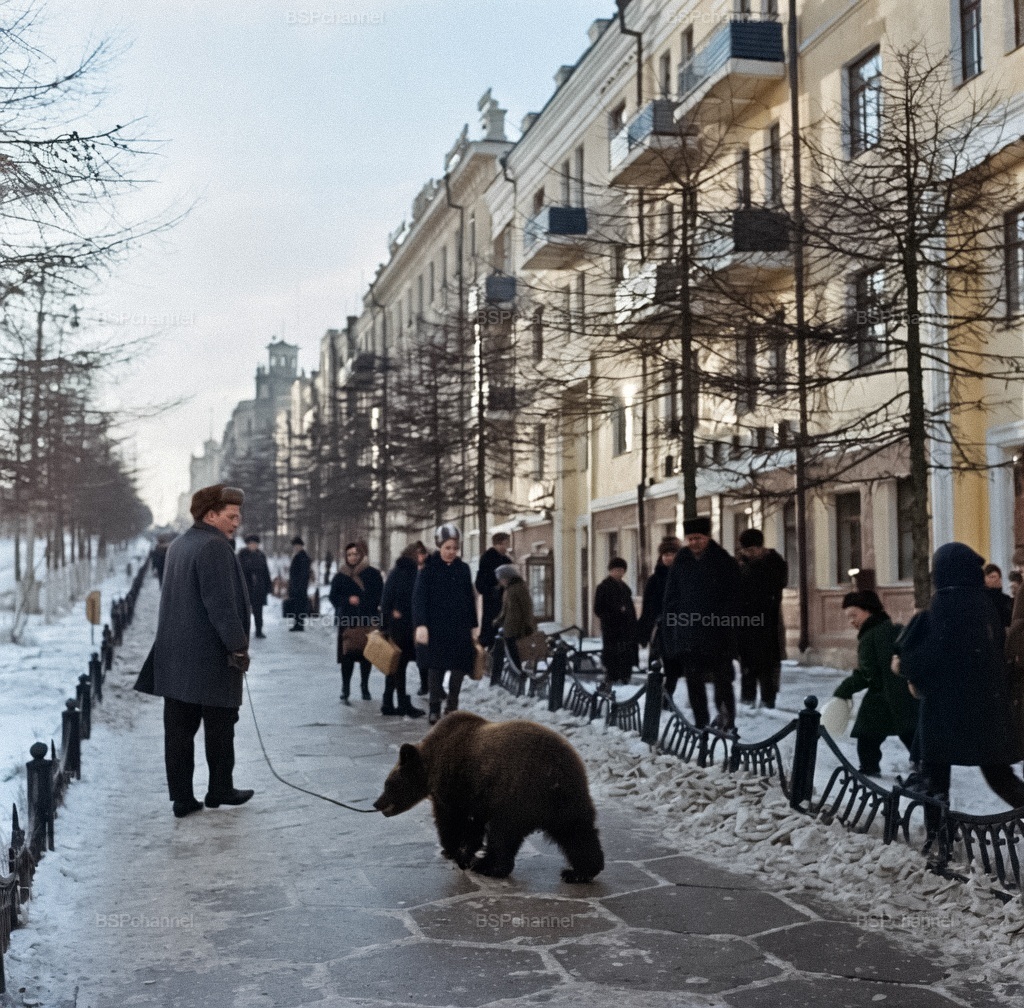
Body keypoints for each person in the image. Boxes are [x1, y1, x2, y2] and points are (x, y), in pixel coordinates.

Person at [138, 484, 254, 818]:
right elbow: (220, 604)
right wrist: (237, 647)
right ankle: (220, 788)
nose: (237, 523)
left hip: (173, 657)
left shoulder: (179, 545)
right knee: (220, 726)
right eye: (231, 517)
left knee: (178, 731)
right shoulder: (214, 547)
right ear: (211, 515)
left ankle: (182, 798)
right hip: (209, 656)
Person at [902, 542, 1024, 811]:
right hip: (986, 707)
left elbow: (932, 654)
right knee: (999, 775)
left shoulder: (945, 604)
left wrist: (906, 664)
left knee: (935, 778)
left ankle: (937, 838)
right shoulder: (985, 604)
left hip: (946, 708)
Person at [660, 516, 741, 730]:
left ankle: (727, 722)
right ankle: (701, 724)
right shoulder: (681, 562)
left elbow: (735, 598)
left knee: (723, 683)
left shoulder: (723, 560)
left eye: (698, 538)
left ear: (707, 537)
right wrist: (672, 629)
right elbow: (671, 598)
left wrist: (724, 623)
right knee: (694, 683)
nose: (694, 543)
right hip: (689, 636)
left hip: (718, 636)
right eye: (690, 539)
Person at [832, 590, 917, 776]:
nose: (851, 621)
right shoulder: (891, 627)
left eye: (854, 615)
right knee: (910, 732)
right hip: (903, 692)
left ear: (868, 611)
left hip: (883, 695)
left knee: (867, 734)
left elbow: (866, 674)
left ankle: (869, 770)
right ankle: (925, 768)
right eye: (848, 617)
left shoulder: (870, 636)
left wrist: (844, 689)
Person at [413, 524, 478, 725]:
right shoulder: (428, 570)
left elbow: (469, 598)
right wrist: (421, 625)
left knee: (459, 667)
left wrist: (473, 626)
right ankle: (434, 708)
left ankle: (452, 705)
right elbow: (419, 599)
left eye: (454, 548)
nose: (451, 552)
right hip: (436, 627)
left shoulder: (463, 569)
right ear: (439, 546)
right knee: (436, 668)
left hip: (459, 627)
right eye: (447, 547)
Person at [735, 528, 789, 709]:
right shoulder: (739, 565)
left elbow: (773, 588)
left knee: (768, 666)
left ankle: (768, 701)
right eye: (745, 550)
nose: (748, 553)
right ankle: (747, 701)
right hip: (744, 623)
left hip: (768, 622)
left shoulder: (774, 563)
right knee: (747, 667)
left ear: (760, 547)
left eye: (752, 550)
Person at [329, 542, 384, 705]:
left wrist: (363, 602)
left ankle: (365, 687)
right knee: (347, 655)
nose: (352, 557)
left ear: (361, 555)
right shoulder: (340, 575)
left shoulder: (372, 574)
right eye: (349, 554)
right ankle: (345, 689)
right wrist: (347, 600)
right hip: (348, 621)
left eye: (355, 554)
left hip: (367, 619)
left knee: (366, 654)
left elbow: (379, 595)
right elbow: (333, 597)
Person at [380, 543, 427, 718]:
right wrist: (387, 621)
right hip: (402, 627)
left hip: (406, 625)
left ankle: (389, 701)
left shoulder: (406, 571)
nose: (422, 556)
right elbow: (386, 600)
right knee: (400, 663)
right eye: (420, 553)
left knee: (398, 663)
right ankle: (401, 702)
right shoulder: (406, 572)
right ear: (413, 554)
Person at [594, 558, 639, 689]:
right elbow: (598, 609)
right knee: (613, 653)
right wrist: (616, 612)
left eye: (621, 570)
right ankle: (612, 676)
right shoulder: (603, 587)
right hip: (612, 628)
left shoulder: (625, 588)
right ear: (610, 571)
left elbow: (629, 607)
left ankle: (625, 676)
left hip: (626, 628)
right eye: (615, 570)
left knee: (626, 653)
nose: (619, 572)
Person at [493, 563, 538, 667]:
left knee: (516, 652)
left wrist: (528, 625)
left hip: (518, 627)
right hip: (510, 627)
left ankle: (518, 673)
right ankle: (516, 671)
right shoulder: (508, 589)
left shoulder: (519, 588)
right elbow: (505, 609)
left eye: (501, 578)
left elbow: (527, 607)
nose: (500, 581)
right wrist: (498, 620)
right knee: (511, 651)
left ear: (508, 577)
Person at [476, 532, 511, 649]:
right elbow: (481, 581)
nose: (508, 547)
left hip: (503, 600)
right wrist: (493, 589)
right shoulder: (488, 558)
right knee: (490, 631)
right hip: (492, 600)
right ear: (498, 544)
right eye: (506, 543)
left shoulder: (506, 560)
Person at [238, 534, 272, 639]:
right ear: (248, 544)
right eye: (251, 544)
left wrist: (268, 586)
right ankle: (244, 632)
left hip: (258, 588)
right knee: (244, 612)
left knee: (258, 611)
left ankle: (258, 630)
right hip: (246, 588)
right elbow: (239, 571)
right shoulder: (242, 555)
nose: (253, 546)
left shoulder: (261, 555)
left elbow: (266, 571)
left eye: (255, 544)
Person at [287, 536, 311, 631]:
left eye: (297, 546)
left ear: (301, 546)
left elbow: (304, 574)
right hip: (297, 586)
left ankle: (299, 625)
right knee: (297, 605)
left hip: (300, 586)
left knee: (299, 605)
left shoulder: (302, 557)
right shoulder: (299, 556)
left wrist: (299, 586)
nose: (295, 548)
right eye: (294, 546)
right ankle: (298, 624)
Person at [984, 563, 1014, 627]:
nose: (994, 580)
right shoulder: (982, 599)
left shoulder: (1007, 599)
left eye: (994, 577)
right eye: (990, 577)